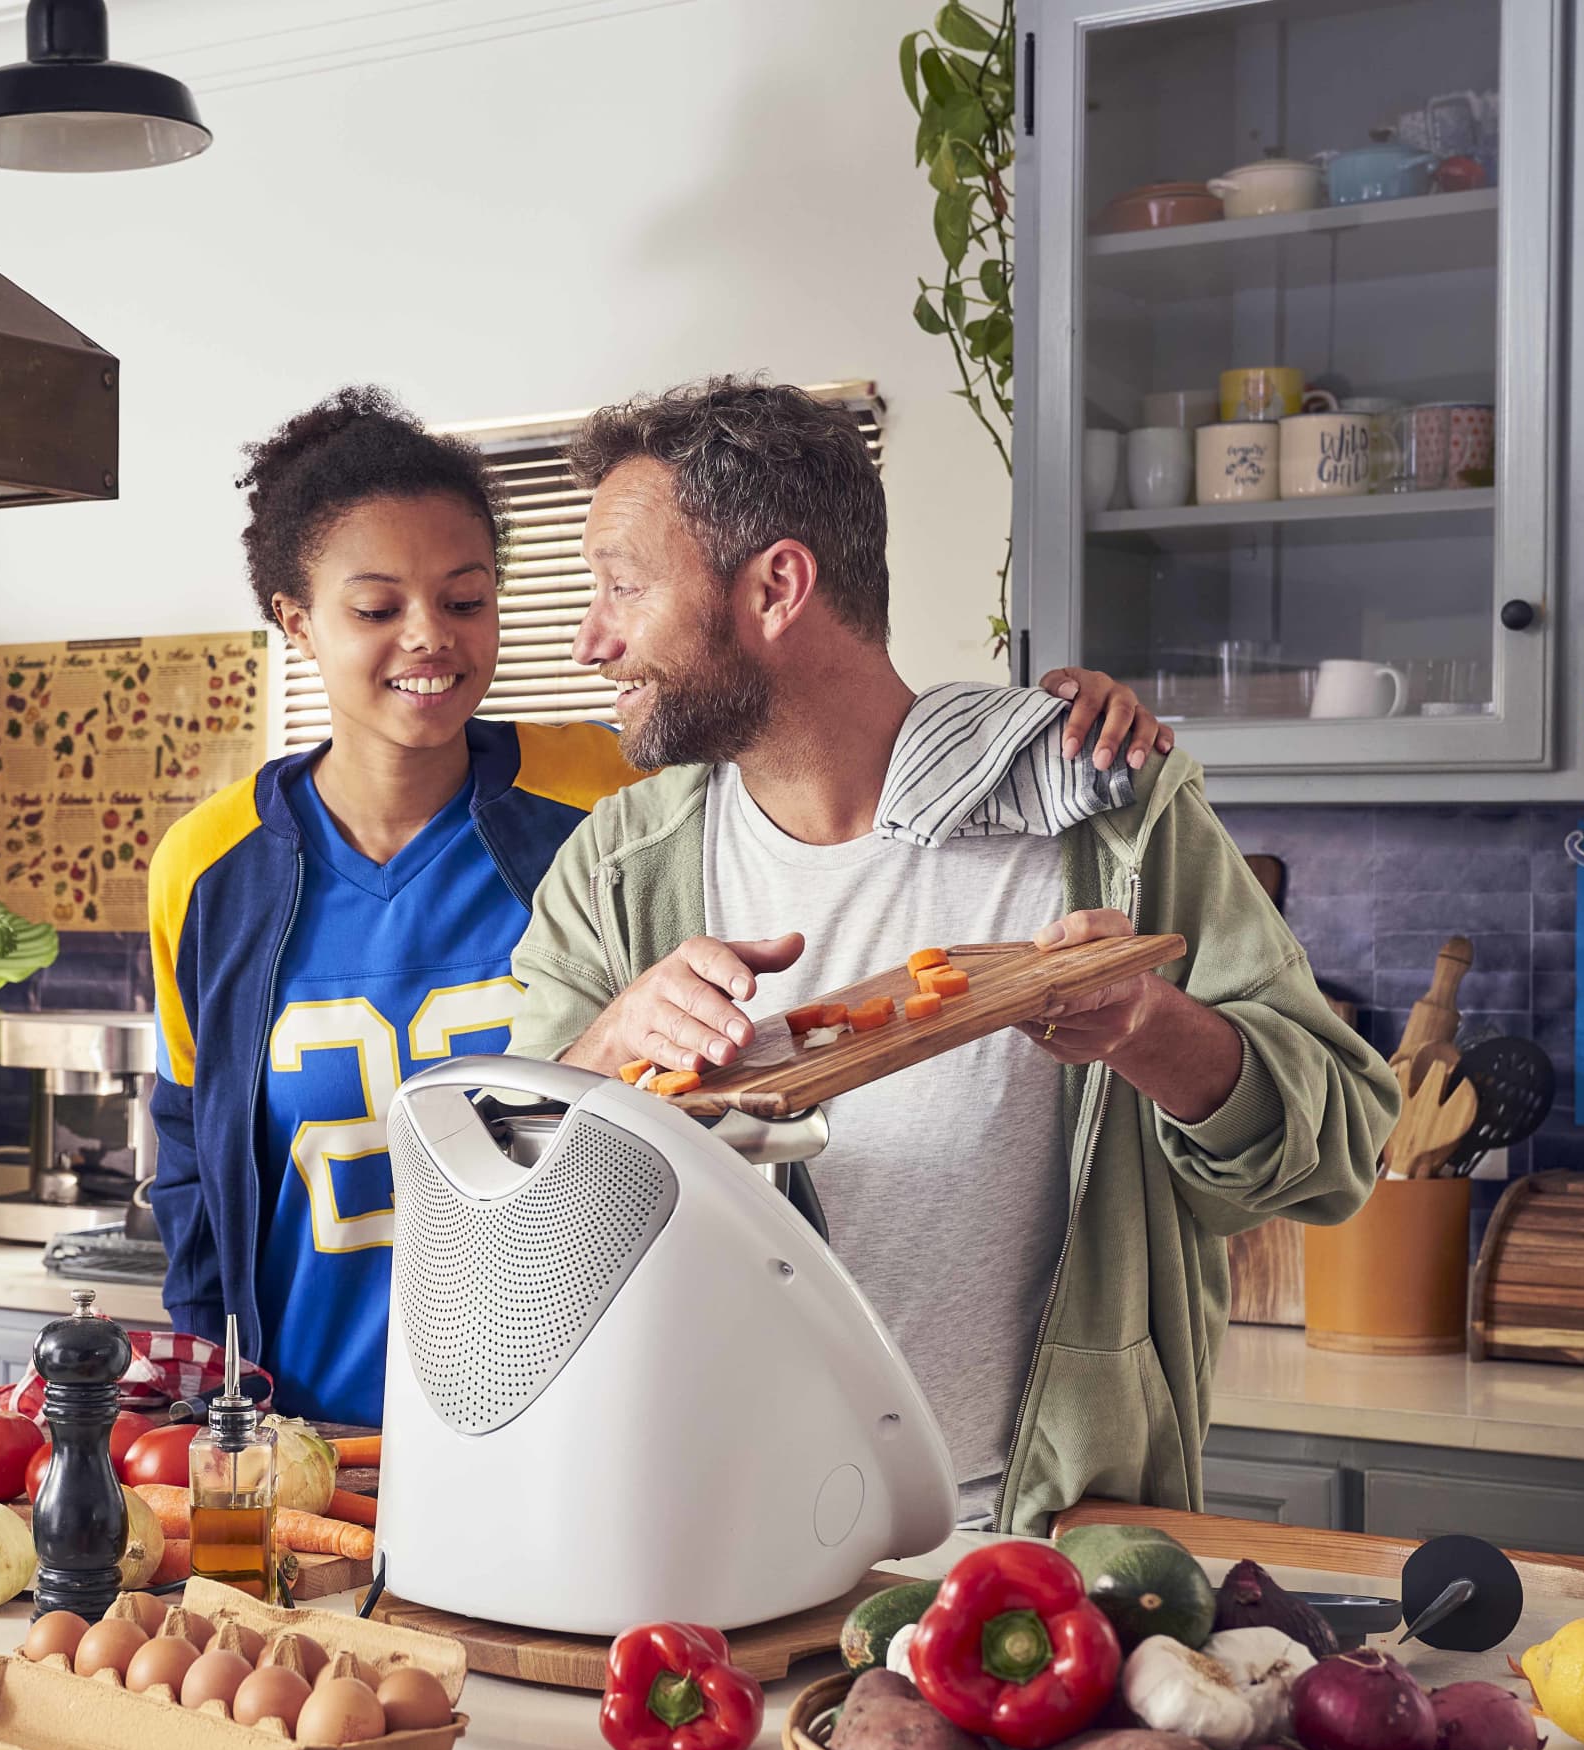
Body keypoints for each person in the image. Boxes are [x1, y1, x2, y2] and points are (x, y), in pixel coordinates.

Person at [148, 387, 1177, 1427]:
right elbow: (192, 1165)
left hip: (565, 1404)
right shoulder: (205, 865)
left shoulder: (616, 796)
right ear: (295, 620)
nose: (430, 639)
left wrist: (1056, 734)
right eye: (376, 610)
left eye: (466, 601)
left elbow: (818, 736)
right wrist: (204, 1401)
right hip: (301, 1423)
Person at [504, 377, 1395, 1532]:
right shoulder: (618, 869)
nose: (590, 637)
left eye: (622, 586)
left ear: (776, 585)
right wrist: (603, 1052)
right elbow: (512, 1220)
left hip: (1034, 1557)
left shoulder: (1099, 823)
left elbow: (1337, 1154)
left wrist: (1149, 1028)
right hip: (707, 1541)